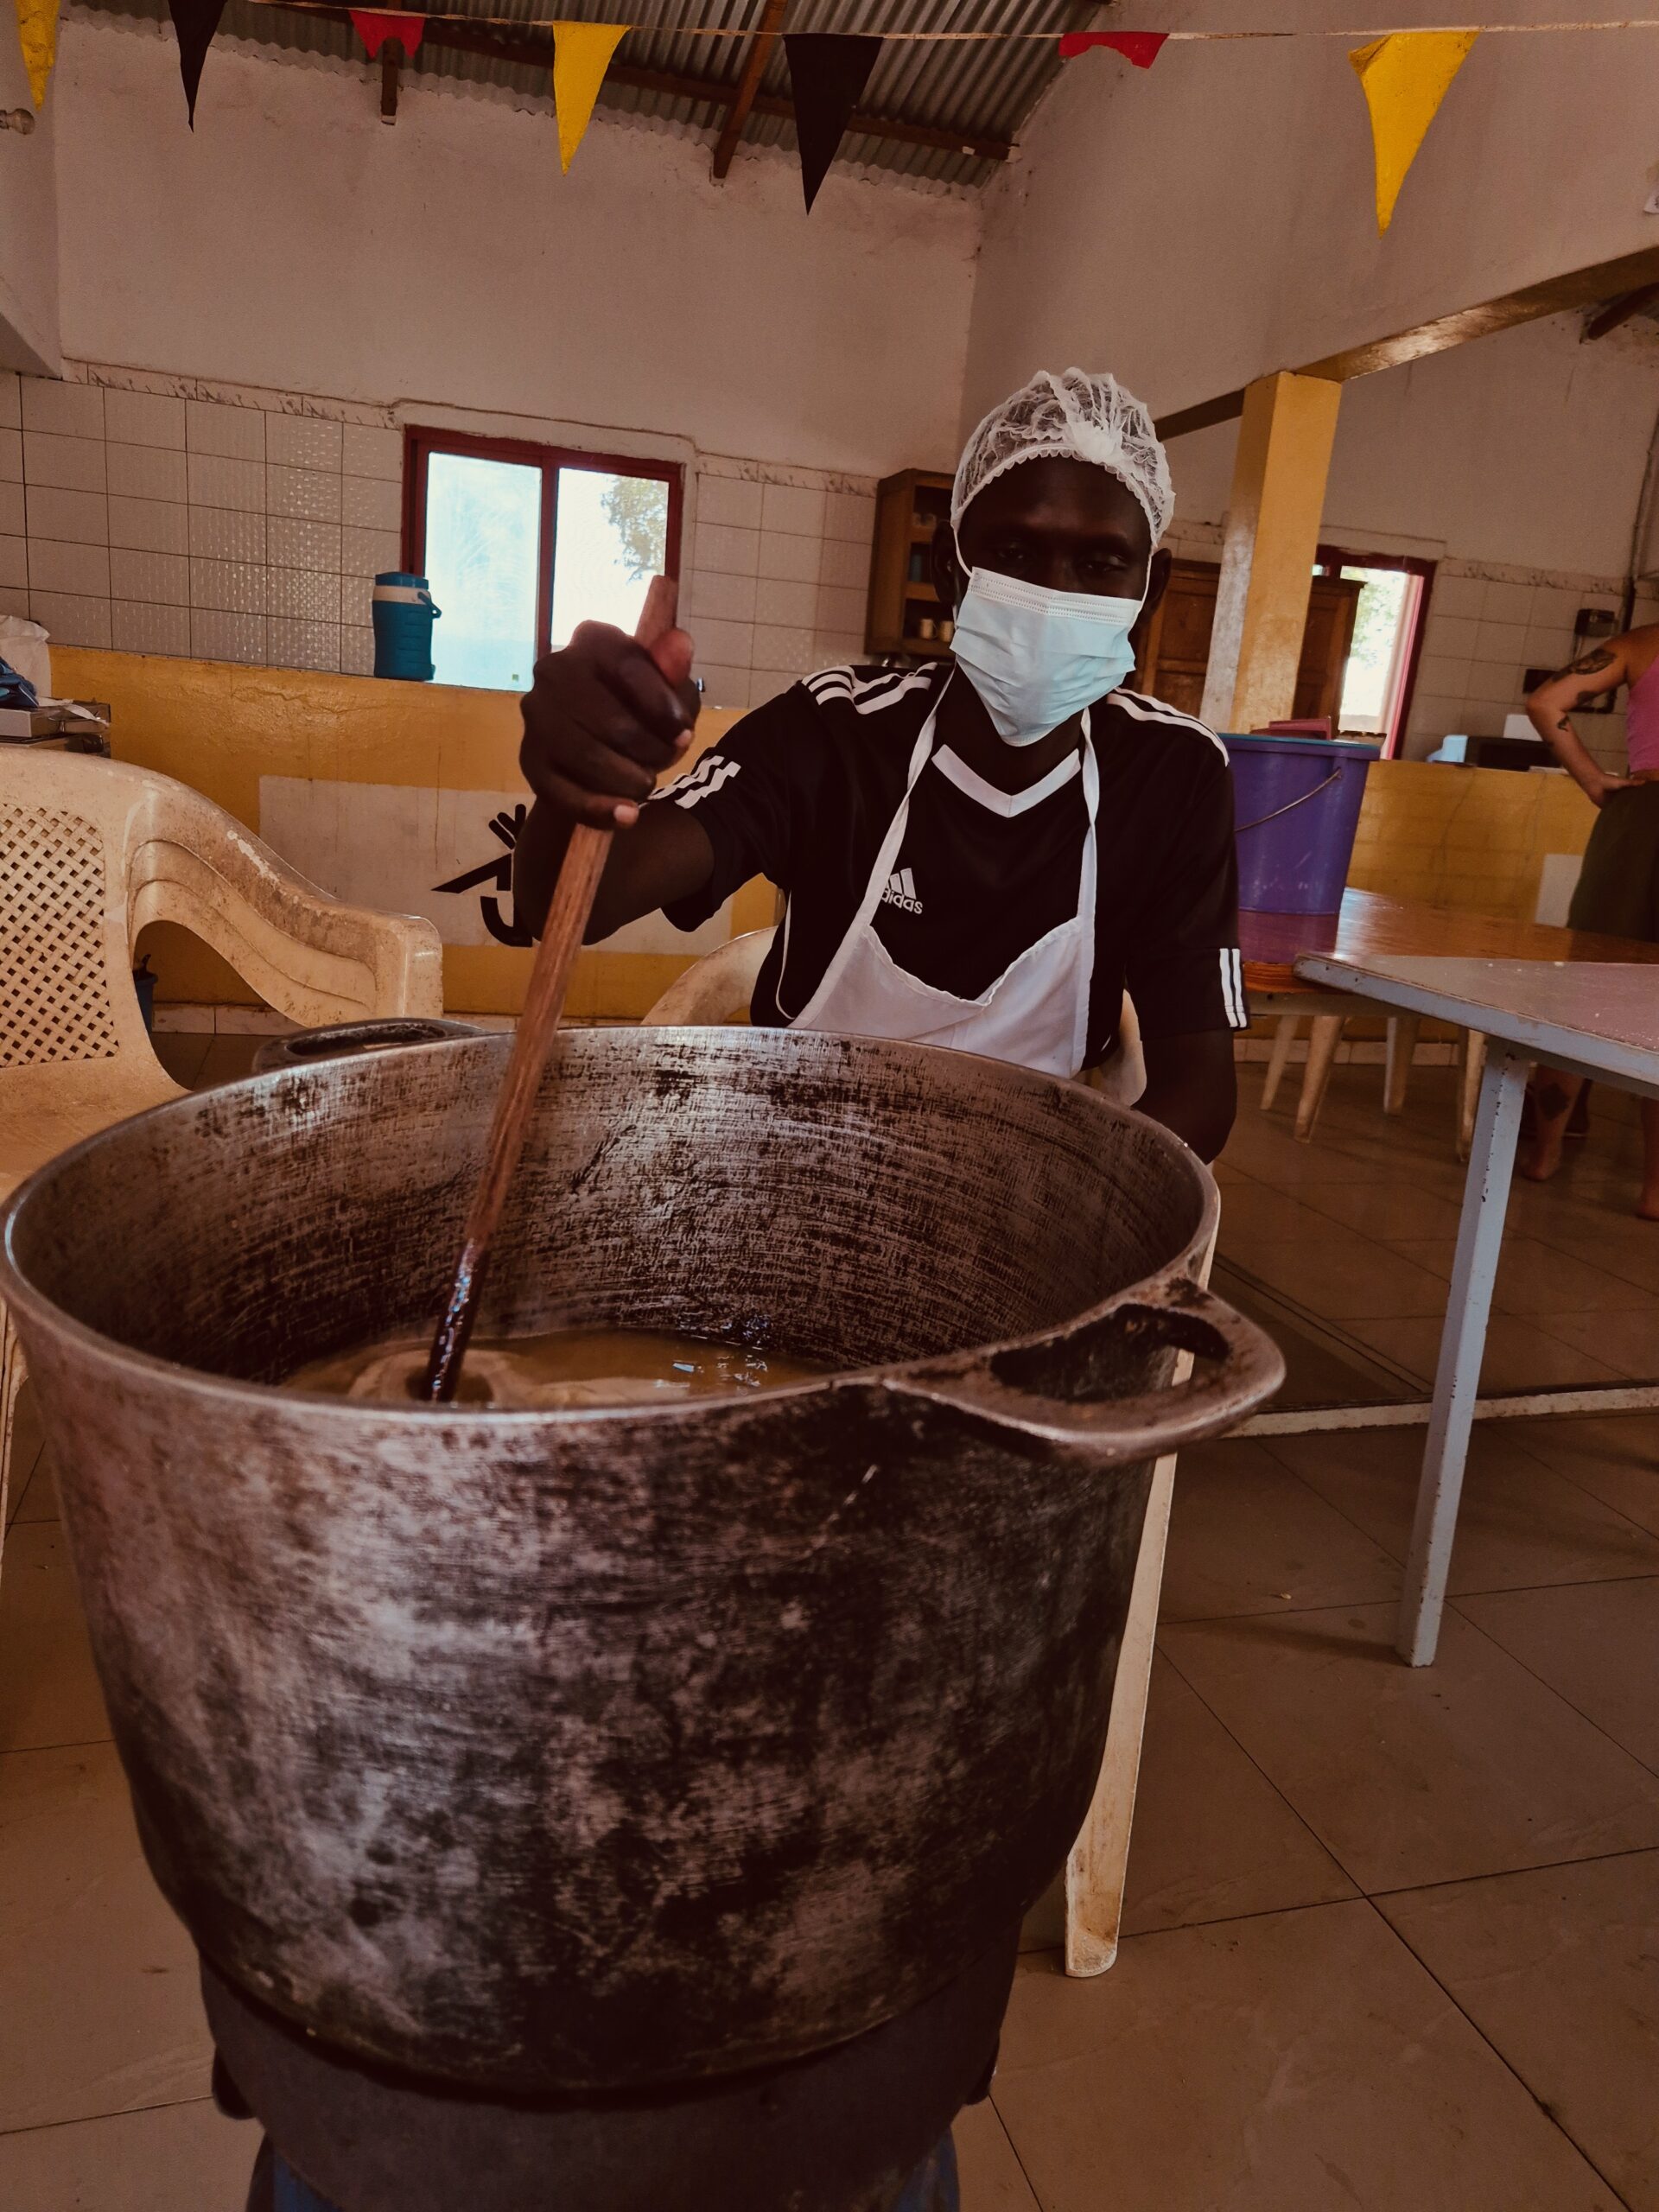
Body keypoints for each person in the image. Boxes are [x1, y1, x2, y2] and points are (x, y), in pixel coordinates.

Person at [515, 368, 1248, 1163]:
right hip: (799, 1151)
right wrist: (576, 785)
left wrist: (1054, 1211)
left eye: (1100, 564)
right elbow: (566, 905)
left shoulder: (1174, 775)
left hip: (1037, 1174)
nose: (1050, 594)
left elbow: (1201, 1088)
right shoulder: (834, 732)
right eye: (1011, 552)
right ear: (951, 568)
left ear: (1153, 585)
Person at [1522, 627, 1659, 1217]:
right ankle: (1657, 1190)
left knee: (1586, 989)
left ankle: (1543, 1156)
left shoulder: (1644, 643)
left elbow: (1544, 701)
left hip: (1640, 822)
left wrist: (1593, 779)